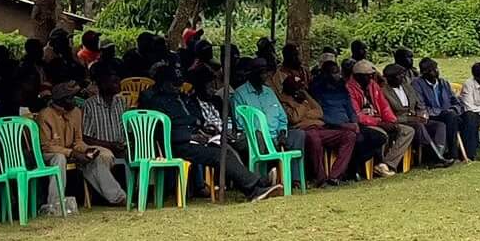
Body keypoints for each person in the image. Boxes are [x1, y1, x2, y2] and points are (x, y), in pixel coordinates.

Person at [138, 63, 270, 200]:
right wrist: (190, 135)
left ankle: (255, 182)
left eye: (179, 84)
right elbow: (159, 132)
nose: (177, 88)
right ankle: (253, 189)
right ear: (163, 84)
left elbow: (197, 116)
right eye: (173, 84)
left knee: (226, 149)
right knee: (220, 156)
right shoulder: (156, 103)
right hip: (178, 144)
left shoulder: (183, 98)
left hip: (198, 137)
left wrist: (202, 129)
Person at [39, 76, 127, 211]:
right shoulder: (45, 115)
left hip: (71, 150)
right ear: (62, 101)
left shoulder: (76, 112)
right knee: (59, 158)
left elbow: (78, 140)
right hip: (49, 154)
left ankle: (118, 197)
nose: (74, 100)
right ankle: (55, 204)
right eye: (71, 98)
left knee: (94, 158)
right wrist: (72, 153)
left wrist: (86, 151)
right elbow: (47, 146)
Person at [278, 71, 357, 184]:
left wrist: (305, 108)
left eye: (301, 87)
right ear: (289, 89)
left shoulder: (304, 95)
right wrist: (302, 105)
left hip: (321, 128)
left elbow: (319, 112)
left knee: (349, 135)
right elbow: (294, 118)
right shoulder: (283, 100)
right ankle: (321, 178)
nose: (300, 90)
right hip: (305, 131)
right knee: (314, 139)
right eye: (297, 88)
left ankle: (335, 176)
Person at [347, 60, 415, 170]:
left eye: (372, 75)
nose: (371, 78)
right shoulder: (349, 89)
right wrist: (380, 123)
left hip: (379, 120)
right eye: (368, 76)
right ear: (358, 76)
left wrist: (391, 120)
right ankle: (374, 165)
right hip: (365, 123)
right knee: (381, 134)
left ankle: (387, 164)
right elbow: (357, 115)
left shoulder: (372, 85)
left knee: (408, 131)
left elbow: (384, 106)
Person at [384, 63, 451, 164]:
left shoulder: (406, 87)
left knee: (439, 125)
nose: (403, 77)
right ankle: (436, 158)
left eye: (403, 75)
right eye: (400, 75)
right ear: (390, 78)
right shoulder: (384, 92)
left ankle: (438, 154)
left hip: (415, 117)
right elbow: (390, 116)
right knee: (418, 126)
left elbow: (418, 103)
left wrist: (422, 113)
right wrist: (412, 119)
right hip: (400, 121)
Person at [415, 59, 470, 161]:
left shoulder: (443, 83)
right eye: (432, 70)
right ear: (424, 73)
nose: (436, 71)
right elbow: (421, 106)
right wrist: (442, 112)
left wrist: (453, 109)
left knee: (465, 117)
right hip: (430, 115)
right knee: (451, 117)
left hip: (449, 114)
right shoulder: (418, 84)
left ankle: (466, 152)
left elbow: (456, 102)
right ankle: (453, 154)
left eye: (436, 68)